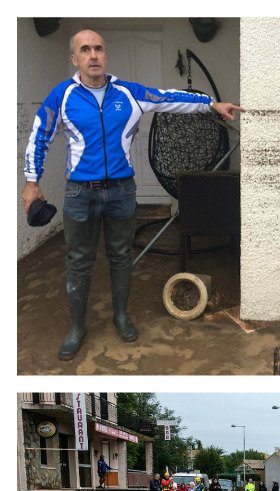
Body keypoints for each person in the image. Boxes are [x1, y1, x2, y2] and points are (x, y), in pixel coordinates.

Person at [22, 28, 243, 361]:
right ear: (75, 58)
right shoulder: (62, 96)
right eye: (85, 50)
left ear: (104, 55)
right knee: (79, 262)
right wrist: (31, 181)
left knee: (121, 256)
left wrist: (211, 105)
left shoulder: (127, 92)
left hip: (121, 193)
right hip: (80, 193)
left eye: (98, 48)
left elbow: (169, 97)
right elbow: (40, 136)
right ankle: (77, 328)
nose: (93, 55)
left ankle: (121, 316)